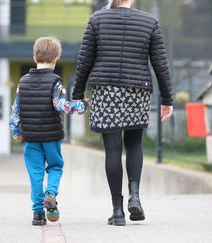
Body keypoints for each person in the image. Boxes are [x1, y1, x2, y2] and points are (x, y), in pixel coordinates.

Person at [72, 0, 173, 226]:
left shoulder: (97, 19)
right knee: (134, 144)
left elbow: (84, 60)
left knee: (113, 149)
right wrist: (167, 99)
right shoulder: (149, 22)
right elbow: (160, 63)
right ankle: (134, 195)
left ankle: (117, 212)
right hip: (137, 90)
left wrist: (78, 94)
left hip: (105, 90)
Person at [9, 37, 87, 226]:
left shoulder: (23, 82)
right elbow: (60, 105)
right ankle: (50, 193)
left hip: (31, 137)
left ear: (35, 57)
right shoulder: (56, 81)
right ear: (56, 58)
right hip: (51, 136)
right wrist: (80, 105)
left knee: (35, 173)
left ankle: (37, 213)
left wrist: (15, 131)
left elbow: (15, 110)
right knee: (55, 167)